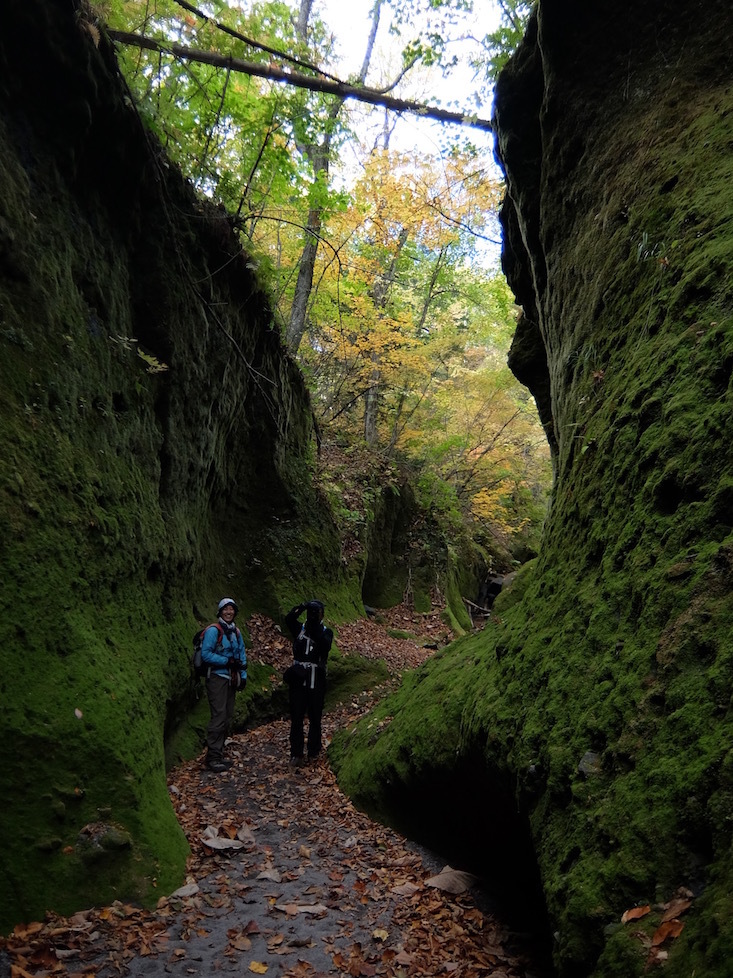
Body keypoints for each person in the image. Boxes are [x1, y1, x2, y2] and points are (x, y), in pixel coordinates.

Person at [283, 600, 333, 765]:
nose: (313, 615)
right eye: (312, 612)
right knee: (296, 716)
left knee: (315, 716)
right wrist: (302, 607)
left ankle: (314, 750)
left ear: (322, 615)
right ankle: (296, 753)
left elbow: (325, 646)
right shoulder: (300, 629)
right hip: (299, 679)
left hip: (316, 679)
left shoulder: (326, 632)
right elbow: (289, 619)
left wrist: (315, 626)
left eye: (316, 612)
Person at [201, 598, 247, 773]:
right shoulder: (214, 631)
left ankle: (218, 754)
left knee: (227, 716)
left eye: (231, 609)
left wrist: (243, 676)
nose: (229, 612)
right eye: (225, 609)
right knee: (219, 716)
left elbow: (241, 655)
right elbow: (206, 654)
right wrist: (227, 661)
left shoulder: (236, 632)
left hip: (231, 679)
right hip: (217, 678)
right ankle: (212, 758)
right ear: (220, 612)